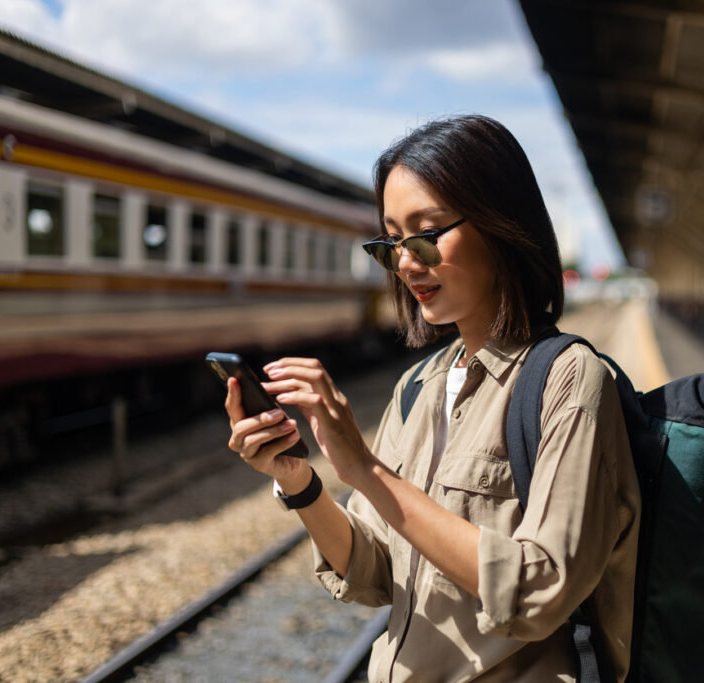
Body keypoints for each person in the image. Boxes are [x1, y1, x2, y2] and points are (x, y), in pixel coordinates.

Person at [225, 114, 641, 681]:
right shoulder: (417, 385)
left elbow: (540, 591)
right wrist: (299, 481)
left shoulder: (570, 379)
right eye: (391, 241)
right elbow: (372, 571)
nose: (404, 262)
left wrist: (368, 469)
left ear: (501, 225)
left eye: (425, 233)